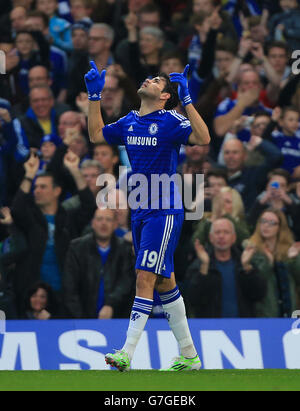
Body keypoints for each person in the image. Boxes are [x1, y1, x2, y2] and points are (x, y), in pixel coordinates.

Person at [85, 61, 210, 371]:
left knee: (145, 276)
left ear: (165, 96)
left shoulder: (170, 120)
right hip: (141, 211)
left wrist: (189, 99)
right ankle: (190, 356)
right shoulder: (129, 121)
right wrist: (94, 97)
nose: (149, 80)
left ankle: (126, 352)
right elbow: (96, 134)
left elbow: (203, 138)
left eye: (156, 81)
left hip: (164, 210)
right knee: (165, 281)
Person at [185, 218, 266, 318]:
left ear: (234, 238)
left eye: (226, 232)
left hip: (244, 328)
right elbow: (194, 299)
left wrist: (246, 267)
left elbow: (259, 294)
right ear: (211, 237)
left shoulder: (245, 262)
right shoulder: (199, 265)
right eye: (217, 232)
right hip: (211, 329)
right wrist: (204, 267)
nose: (221, 236)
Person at [63, 208, 135, 319]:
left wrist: (110, 304)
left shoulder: (124, 250)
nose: (104, 223)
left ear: (115, 225)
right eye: (99, 219)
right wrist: (81, 318)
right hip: (81, 319)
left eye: (108, 219)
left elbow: (126, 283)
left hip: (118, 318)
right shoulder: (77, 248)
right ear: (93, 223)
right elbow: (70, 287)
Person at [242, 209, 300, 317]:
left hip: (289, 312)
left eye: (272, 223)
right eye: (263, 221)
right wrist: (268, 263)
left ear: (280, 227)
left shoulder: (289, 250)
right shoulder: (250, 248)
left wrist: (294, 260)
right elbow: (255, 284)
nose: (266, 226)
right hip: (264, 314)